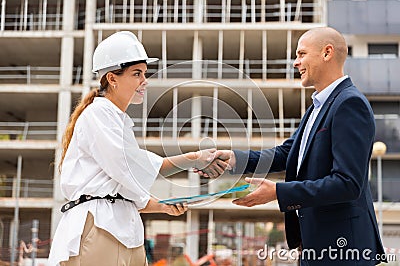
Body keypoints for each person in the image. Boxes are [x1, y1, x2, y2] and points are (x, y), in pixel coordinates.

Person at [197, 27, 386, 265]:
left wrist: (278, 192)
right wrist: (234, 159)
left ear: (327, 53)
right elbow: (288, 154)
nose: (296, 63)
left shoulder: (349, 104)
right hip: (315, 246)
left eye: (301, 54)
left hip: (343, 249)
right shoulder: (317, 107)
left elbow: (348, 183)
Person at [48, 31, 215, 266]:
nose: (144, 81)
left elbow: (125, 180)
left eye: (144, 74)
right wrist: (191, 159)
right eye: (137, 74)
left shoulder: (117, 120)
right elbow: (126, 168)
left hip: (125, 229)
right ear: (112, 78)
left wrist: (165, 203)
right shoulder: (98, 114)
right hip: (100, 226)